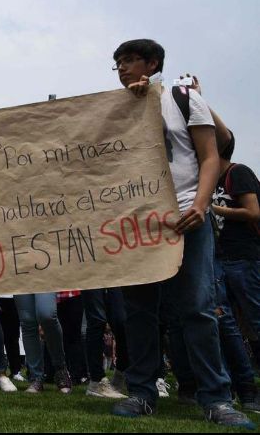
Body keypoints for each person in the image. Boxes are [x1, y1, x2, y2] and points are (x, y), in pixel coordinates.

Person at [108, 39, 254, 429]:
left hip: (188, 214)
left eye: (129, 61)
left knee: (197, 307)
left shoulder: (183, 98)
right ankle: (142, 392)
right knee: (139, 309)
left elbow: (210, 156)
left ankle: (217, 398)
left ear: (151, 63)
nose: (121, 69)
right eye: (117, 64)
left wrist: (201, 205)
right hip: (138, 222)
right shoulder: (113, 109)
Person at [211, 127, 260, 412]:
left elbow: (253, 212)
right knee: (225, 320)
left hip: (245, 258)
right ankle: (241, 384)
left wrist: (218, 210)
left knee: (254, 318)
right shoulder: (213, 180)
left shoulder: (238, 173)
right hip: (222, 259)